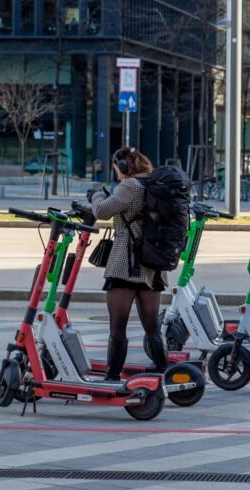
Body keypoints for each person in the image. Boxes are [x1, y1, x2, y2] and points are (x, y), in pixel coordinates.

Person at [87, 147, 167, 381]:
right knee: (151, 326)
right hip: (152, 263)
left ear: (123, 168)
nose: (117, 175)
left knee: (118, 326)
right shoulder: (154, 184)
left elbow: (102, 211)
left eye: (117, 171)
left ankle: (112, 376)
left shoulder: (130, 186)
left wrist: (96, 196)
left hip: (126, 262)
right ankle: (163, 370)